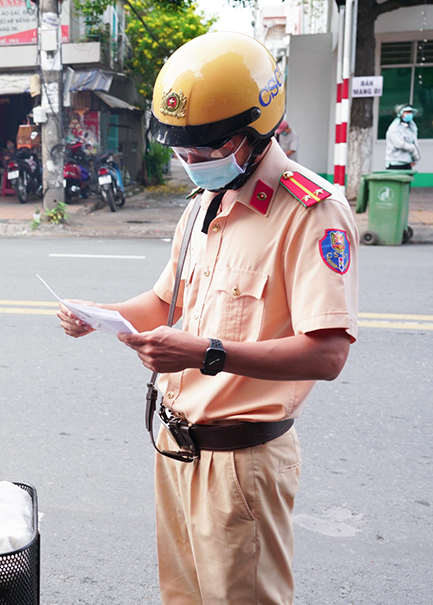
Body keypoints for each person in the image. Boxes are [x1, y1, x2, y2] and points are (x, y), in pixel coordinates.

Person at [57, 32, 358, 605]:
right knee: (184, 598)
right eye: (182, 152)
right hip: (176, 448)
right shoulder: (202, 206)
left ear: (255, 130)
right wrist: (101, 316)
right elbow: (165, 302)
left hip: (242, 463)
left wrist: (204, 354)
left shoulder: (313, 213)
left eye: (206, 151)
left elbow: (328, 353)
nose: (191, 164)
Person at [385, 104, 421, 169]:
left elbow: (414, 142)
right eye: (407, 112)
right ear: (400, 114)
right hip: (395, 163)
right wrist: (413, 149)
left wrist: (415, 158)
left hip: (407, 163)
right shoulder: (394, 128)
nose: (409, 114)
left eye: (410, 112)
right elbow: (400, 144)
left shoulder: (411, 127)